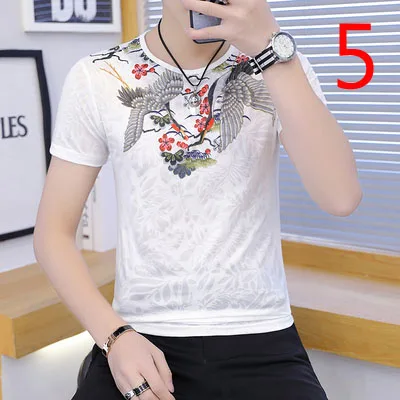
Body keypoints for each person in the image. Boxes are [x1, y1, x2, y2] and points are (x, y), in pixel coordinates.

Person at [33, 0, 362, 399]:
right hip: (141, 335)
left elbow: (340, 197)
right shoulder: (99, 75)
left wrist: (269, 47)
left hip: (261, 335)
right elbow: (53, 234)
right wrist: (114, 336)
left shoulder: (279, 63)